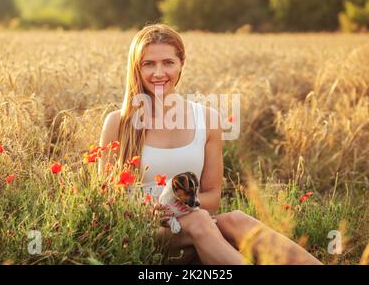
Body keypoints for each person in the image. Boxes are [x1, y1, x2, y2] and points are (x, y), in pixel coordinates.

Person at [98, 23, 322, 265]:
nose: (159, 73)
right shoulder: (119, 123)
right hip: (140, 232)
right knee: (199, 220)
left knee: (235, 219)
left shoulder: (206, 118)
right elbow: (107, 199)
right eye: (149, 64)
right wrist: (152, 210)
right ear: (136, 68)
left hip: (192, 221)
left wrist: (179, 203)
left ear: (181, 63)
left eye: (168, 63)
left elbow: (213, 196)